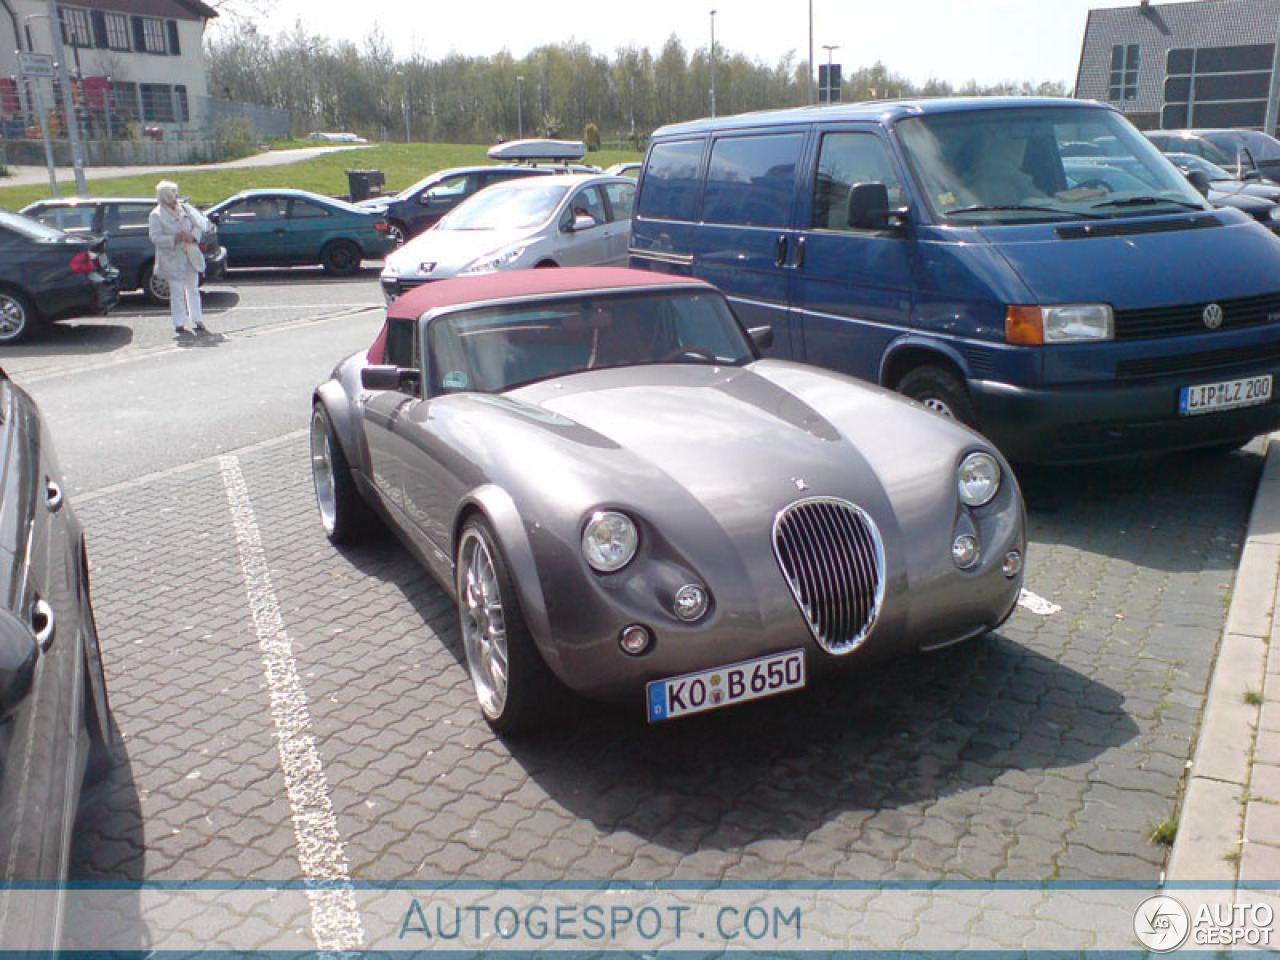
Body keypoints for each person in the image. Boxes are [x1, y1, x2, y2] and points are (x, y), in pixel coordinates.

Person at [148, 180, 210, 336]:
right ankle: (179, 322)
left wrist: (193, 236)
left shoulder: (184, 208)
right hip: (172, 258)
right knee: (176, 292)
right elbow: (155, 237)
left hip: (191, 255)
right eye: (171, 195)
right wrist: (175, 238)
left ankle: (197, 319)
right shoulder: (156, 214)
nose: (175, 198)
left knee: (193, 288)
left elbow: (198, 225)